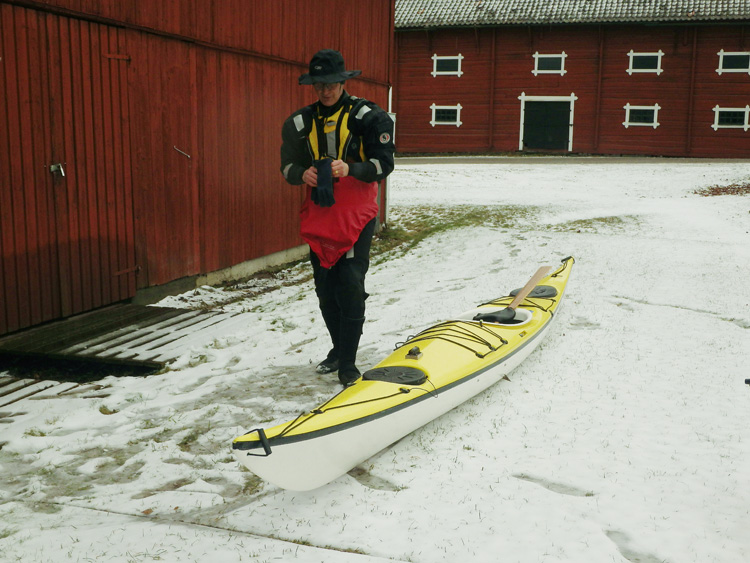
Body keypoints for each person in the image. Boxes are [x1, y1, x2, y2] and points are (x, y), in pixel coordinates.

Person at [280, 49, 395, 387]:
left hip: (356, 213)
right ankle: (337, 348)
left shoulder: (368, 117)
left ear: (342, 81)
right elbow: (286, 167)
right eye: (318, 86)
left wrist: (351, 168)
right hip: (320, 213)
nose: (324, 91)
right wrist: (303, 174)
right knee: (325, 288)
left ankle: (348, 362)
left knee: (350, 282)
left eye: (330, 84)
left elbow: (384, 164)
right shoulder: (299, 123)